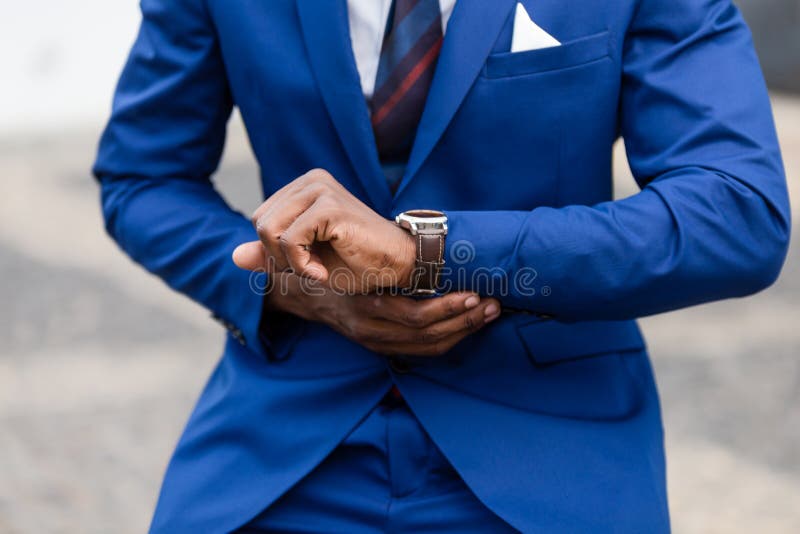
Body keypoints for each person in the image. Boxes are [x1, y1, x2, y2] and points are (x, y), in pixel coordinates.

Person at [93, 0, 790, 531]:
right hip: (282, 447)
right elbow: (143, 177)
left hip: (548, 446)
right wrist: (296, 287)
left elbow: (737, 213)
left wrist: (432, 251)